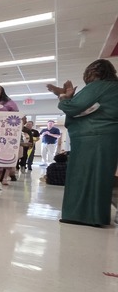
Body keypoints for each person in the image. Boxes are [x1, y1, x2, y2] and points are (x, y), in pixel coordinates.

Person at [48, 58, 118, 226]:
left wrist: (64, 97)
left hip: (92, 136)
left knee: (84, 175)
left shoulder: (99, 86)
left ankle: (82, 215)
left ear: (94, 72)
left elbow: (73, 107)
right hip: (106, 136)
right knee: (100, 176)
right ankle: (96, 215)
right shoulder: (113, 88)